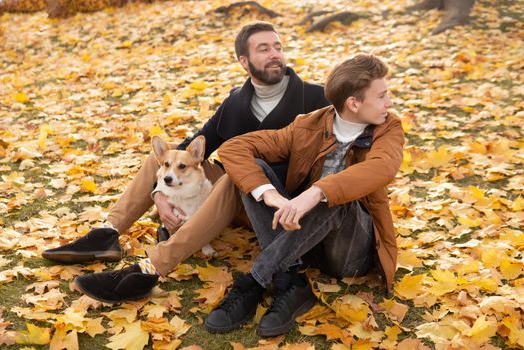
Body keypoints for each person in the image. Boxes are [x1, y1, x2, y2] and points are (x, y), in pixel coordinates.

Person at [45, 22, 328, 297]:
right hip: (235, 199)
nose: (275, 54)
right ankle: (107, 233)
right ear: (244, 61)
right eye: (263, 49)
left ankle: (150, 267)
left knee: (236, 176)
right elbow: (187, 146)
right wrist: (159, 193)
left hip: (279, 205)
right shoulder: (236, 101)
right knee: (165, 156)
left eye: (277, 47)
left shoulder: (317, 97)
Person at [203, 54, 404, 337]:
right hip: (302, 239)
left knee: (337, 191)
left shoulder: (389, 128)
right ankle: (292, 281)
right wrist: (271, 195)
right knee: (254, 173)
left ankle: (257, 280)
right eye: (382, 96)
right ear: (353, 103)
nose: (390, 102)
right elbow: (234, 148)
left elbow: (382, 167)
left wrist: (317, 192)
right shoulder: (308, 125)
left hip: (347, 252)